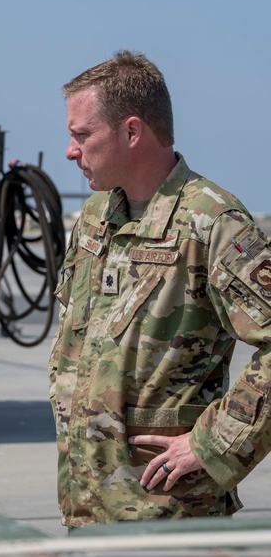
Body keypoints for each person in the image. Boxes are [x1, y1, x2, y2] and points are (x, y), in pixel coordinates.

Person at [49, 50, 271, 529]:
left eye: (82, 135)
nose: (70, 151)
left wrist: (214, 444)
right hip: (88, 507)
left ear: (132, 132)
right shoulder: (95, 219)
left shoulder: (213, 223)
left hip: (169, 515)